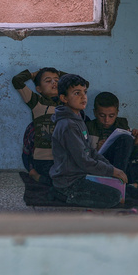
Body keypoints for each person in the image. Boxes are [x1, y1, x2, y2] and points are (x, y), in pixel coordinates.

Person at [49, 74, 125, 208]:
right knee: (114, 197)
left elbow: (89, 151)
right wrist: (112, 172)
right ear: (64, 98)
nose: (83, 97)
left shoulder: (78, 118)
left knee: (120, 190)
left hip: (81, 175)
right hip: (70, 183)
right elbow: (84, 161)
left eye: (84, 92)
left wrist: (112, 169)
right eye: (77, 93)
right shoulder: (67, 125)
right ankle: (64, 195)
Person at [85, 92, 138, 200]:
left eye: (111, 116)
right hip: (104, 168)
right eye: (102, 115)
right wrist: (96, 149)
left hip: (124, 169)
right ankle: (118, 184)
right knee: (125, 139)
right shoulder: (87, 127)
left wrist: (135, 142)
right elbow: (83, 157)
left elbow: (136, 155)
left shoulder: (122, 125)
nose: (106, 120)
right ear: (95, 113)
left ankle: (134, 186)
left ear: (117, 113)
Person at [11, 67, 61, 184]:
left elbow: (83, 83)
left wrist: (59, 74)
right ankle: (36, 176)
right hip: (44, 159)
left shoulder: (67, 101)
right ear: (38, 89)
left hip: (63, 158)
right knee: (58, 183)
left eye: (57, 80)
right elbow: (16, 81)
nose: (54, 83)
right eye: (48, 81)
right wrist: (34, 74)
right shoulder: (37, 102)